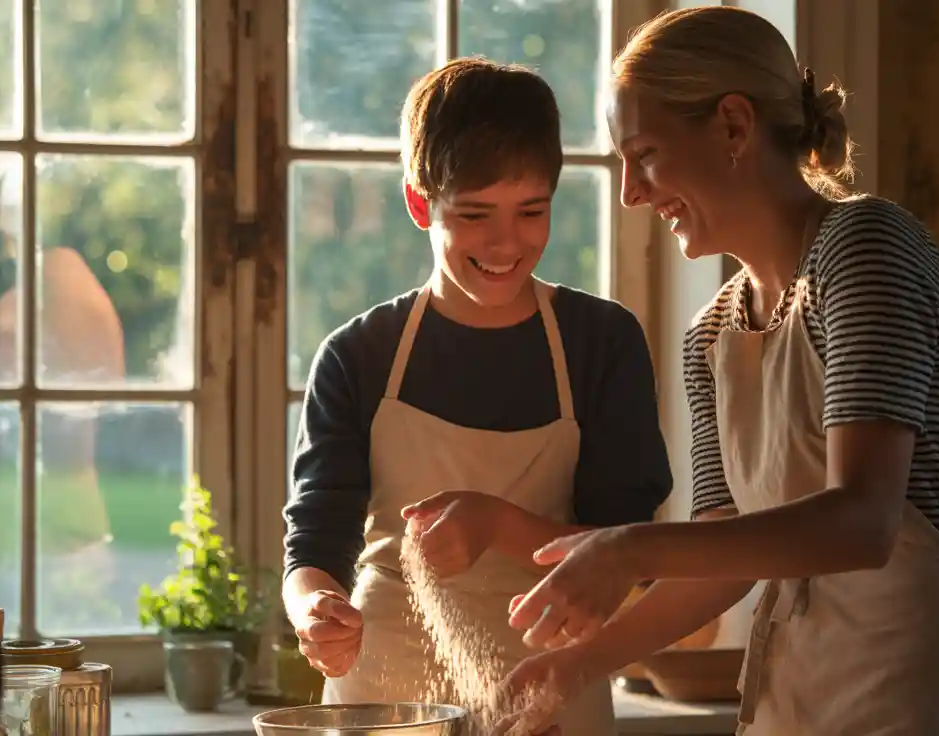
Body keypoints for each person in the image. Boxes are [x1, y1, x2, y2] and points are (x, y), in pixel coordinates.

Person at [497, 7, 939, 736]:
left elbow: (863, 521)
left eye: (645, 154)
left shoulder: (865, 247)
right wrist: (575, 665)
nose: (630, 193)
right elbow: (726, 557)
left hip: (929, 697)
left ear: (733, 125)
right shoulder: (711, 334)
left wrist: (628, 549)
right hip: (803, 698)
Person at [281, 57, 673, 735]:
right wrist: (315, 611)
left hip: (552, 682)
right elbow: (314, 541)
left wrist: (499, 526)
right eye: (474, 213)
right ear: (419, 204)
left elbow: (626, 554)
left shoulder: (600, 342)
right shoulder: (357, 355)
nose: (505, 241)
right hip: (388, 696)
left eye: (532, 211)